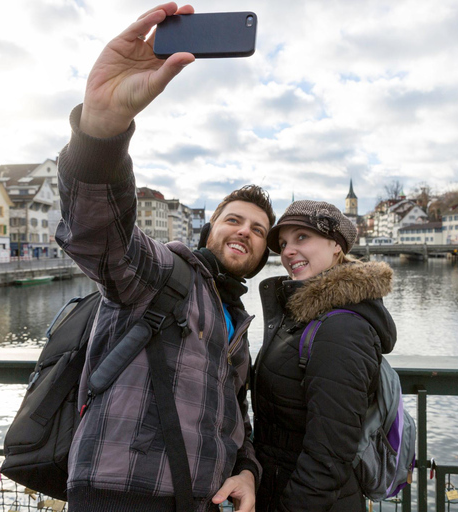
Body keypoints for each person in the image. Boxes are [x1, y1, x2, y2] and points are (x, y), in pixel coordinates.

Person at [54, 3, 271, 511]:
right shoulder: (162, 272)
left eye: (259, 231)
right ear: (208, 229)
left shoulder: (234, 319)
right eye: (233, 220)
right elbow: (98, 235)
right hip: (122, 493)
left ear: (264, 254)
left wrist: (248, 470)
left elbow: (231, 416)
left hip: (201, 499)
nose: (245, 232)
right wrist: (101, 132)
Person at [252, 200, 398, 512]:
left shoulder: (342, 327)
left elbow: (329, 455)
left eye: (302, 237)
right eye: (283, 243)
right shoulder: (305, 314)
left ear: (335, 246)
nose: (288, 251)